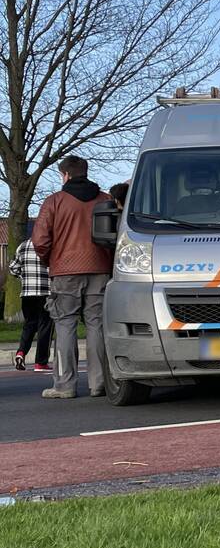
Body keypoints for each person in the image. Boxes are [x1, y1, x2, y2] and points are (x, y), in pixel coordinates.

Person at [32, 156, 114, 399]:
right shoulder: (105, 200)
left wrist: (51, 260)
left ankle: (65, 385)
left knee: (65, 325)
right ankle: (99, 382)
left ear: (65, 175)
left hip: (65, 272)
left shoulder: (54, 201)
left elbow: (40, 240)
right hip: (100, 269)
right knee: (96, 325)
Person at [9, 239, 53, 372]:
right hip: (46, 291)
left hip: (27, 293)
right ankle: (40, 362)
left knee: (29, 324)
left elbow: (13, 268)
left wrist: (24, 277)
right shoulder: (50, 244)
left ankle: (21, 352)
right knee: (45, 326)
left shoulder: (22, 246)